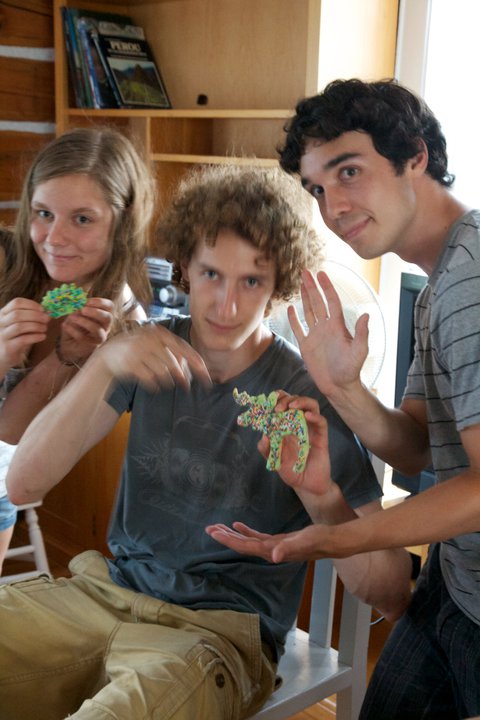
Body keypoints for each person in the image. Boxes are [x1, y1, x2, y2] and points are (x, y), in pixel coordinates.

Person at [2, 164, 411, 720]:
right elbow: (22, 483)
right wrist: (105, 361)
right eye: (212, 274)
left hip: (215, 634)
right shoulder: (146, 353)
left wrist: (321, 497)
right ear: (185, 269)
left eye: (251, 281)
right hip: (101, 594)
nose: (226, 305)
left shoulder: (308, 397)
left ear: (280, 283)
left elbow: (391, 592)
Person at [208, 79, 480, 719]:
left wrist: (335, 539)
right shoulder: (440, 279)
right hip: (456, 580)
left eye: (349, 171)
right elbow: (417, 446)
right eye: (317, 189)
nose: (333, 207)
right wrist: (343, 389)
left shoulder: (469, 285)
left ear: (415, 155)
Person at [0, 126, 155, 575]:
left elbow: (8, 441)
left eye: (82, 219)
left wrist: (65, 359)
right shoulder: (6, 264)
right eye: (43, 213)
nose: (54, 237)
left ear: (121, 225)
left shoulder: (122, 327)